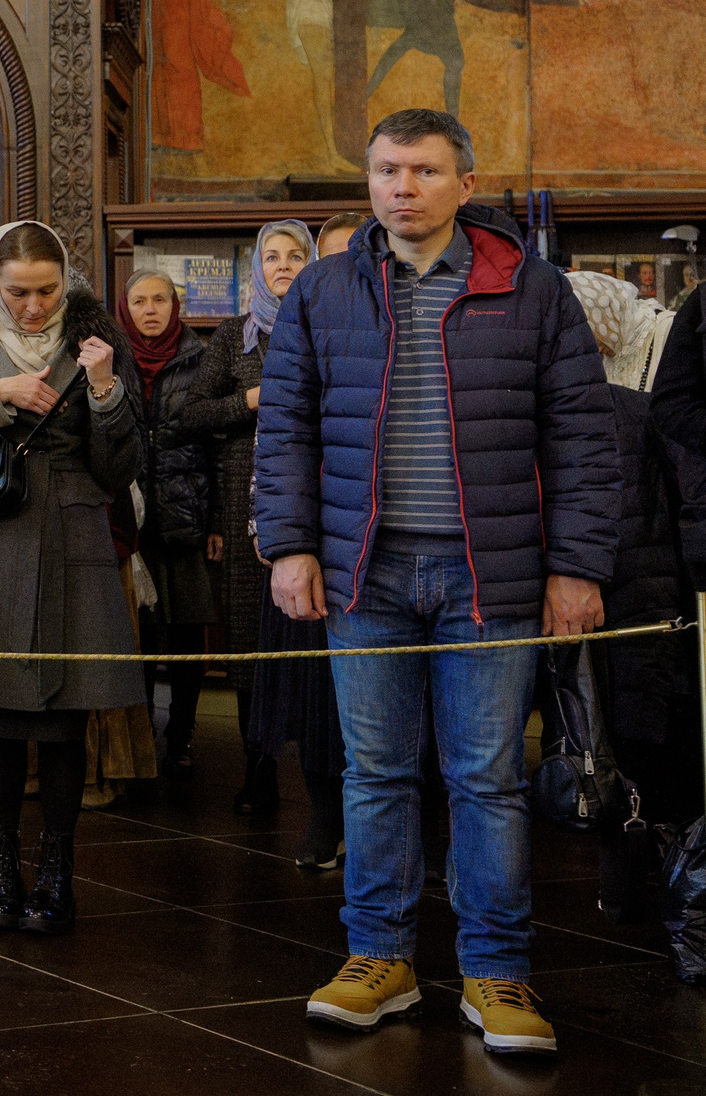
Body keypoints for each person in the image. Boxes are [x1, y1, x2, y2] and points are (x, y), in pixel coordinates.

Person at [261, 110, 617, 1054]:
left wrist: (577, 565)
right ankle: (378, 954)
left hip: (487, 573)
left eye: (422, 170)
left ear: (467, 181)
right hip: (362, 568)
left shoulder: (531, 288)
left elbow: (583, 437)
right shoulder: (328, 288)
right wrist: (287, 544)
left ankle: (497, 969)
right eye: (386, 170)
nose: (402, 188)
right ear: (369, 180)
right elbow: (285, 424)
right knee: (373, 772)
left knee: (485, 780)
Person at [0, 220, 143, 935]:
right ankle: (2, 866)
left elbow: (120, 469)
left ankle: (58, 872)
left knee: (66, 723)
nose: (35, 307)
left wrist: (104, 392)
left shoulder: (97, 342)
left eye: (47, 290)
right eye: (19, 292)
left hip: (72, 537)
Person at [567, 270, 699, 923]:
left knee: (626, 746)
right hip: (619, 607)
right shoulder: (615, 410)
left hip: (640, 607)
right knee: (611, 745)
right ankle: (638, 886)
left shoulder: (638, 409)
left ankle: (644, 889)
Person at [175, 219, 316, 821]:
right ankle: (257, 772)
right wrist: (251, 400)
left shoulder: (327, 326)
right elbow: (191, 415)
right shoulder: (236, 336)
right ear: (256, 269)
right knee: (251, 647)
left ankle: (321, 787)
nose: (282, 266)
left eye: (295, 256)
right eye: (272, 257)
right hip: (244, 511)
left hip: (313, 508)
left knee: (311, 643)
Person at [120, 272, 217, 774]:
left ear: (175, 306)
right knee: (139, 637)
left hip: (186, 518)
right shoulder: (111, 360)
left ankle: (180, 735)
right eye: (139, 301)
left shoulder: (200, 358)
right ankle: (139, 735)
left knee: (185, 637)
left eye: (160, 299)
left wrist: (216, 520)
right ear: (126, 308)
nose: (150, 309)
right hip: (131, 526)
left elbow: (217, 445)